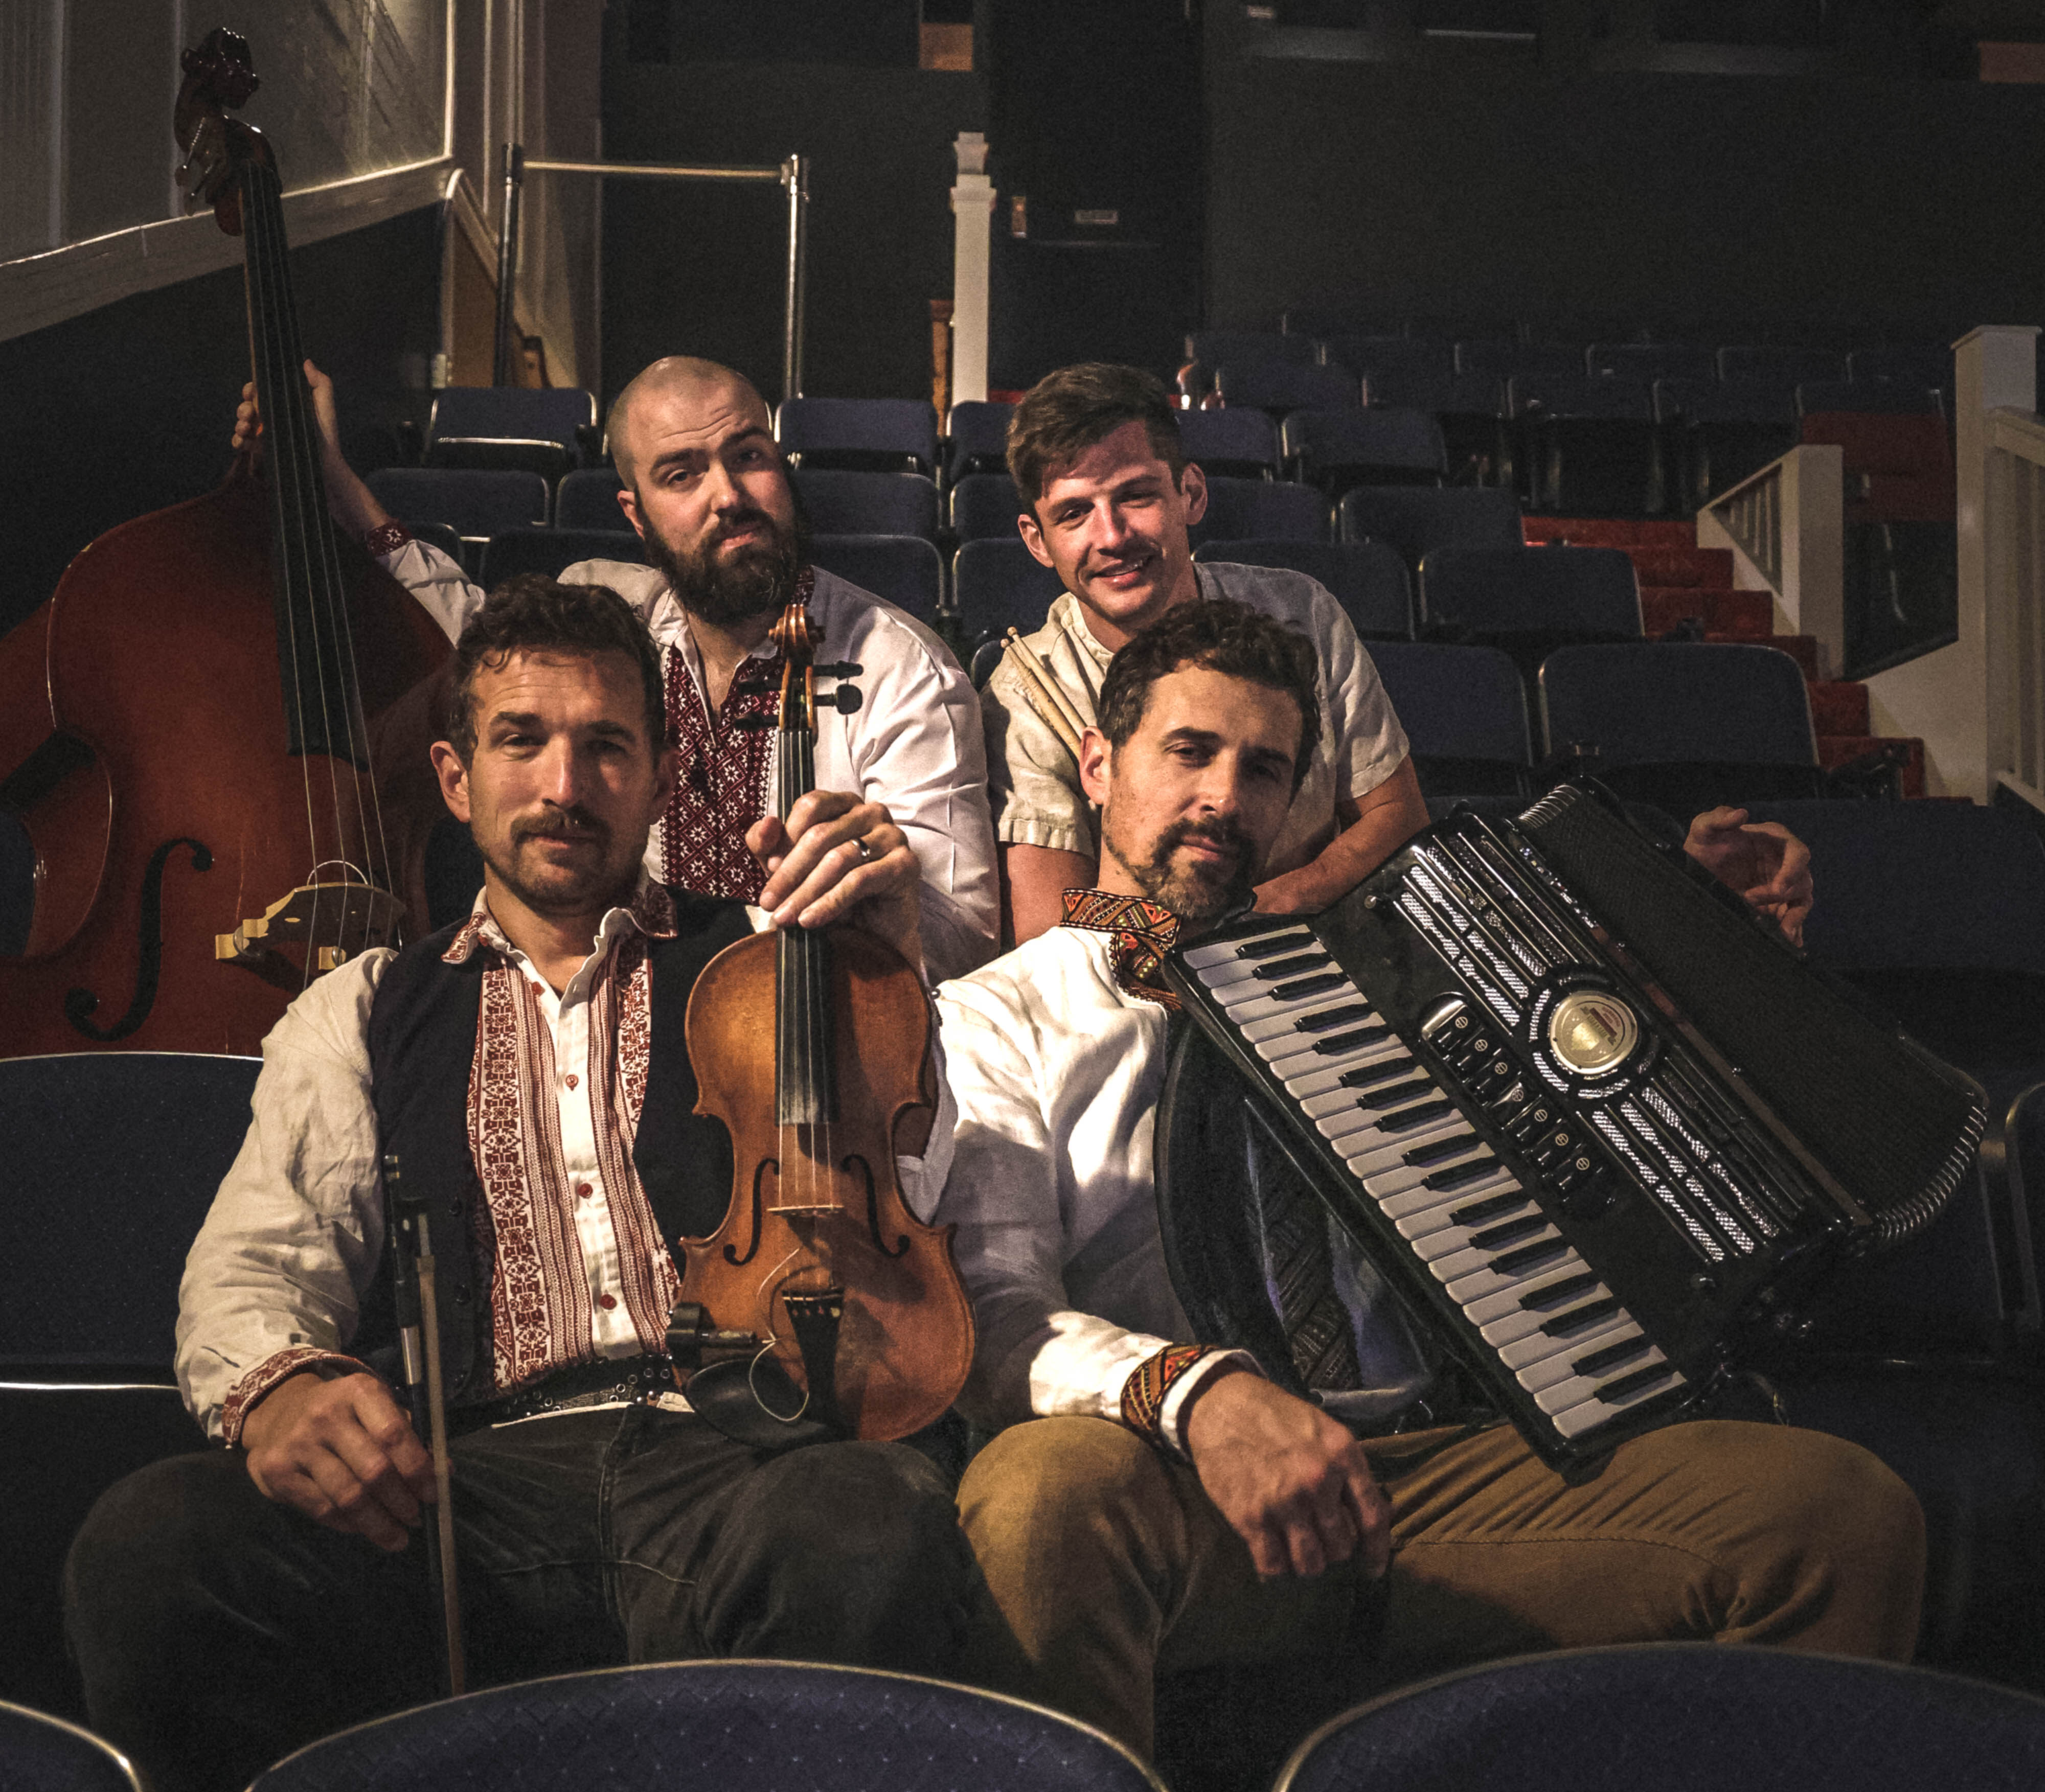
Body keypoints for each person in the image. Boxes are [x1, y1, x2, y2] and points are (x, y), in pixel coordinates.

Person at [927, 596, 1921, 1761]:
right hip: (1181, 1485)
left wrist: (1688, 940)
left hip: (1438, 1467)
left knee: (1841, 1514)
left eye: (1263, 769)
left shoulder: (1378, 969)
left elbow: (1602, 1140)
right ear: (1099, 766)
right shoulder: (992, 1014)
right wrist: (1204, 1397)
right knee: (1039, 1492)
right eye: (1188, 752)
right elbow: (996, 1319)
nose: (1223, 798)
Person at [63, 577, 975, 1792]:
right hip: (460, 1484)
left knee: (868, 1520)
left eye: (607, 746)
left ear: (662, 775)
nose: (564, 785)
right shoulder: (362, 1006)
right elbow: (256, 1262)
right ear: (455, 777)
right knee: (157, 1542)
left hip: (732, 1460)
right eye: (521, 741)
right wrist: (278, 1389)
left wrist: (886, 951)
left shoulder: (771, 958)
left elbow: (912, 1180)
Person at [979, 362, 1814, 950]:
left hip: (1333, 949)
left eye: (1136, 496)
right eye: (1075, 513)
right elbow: (1057, 929)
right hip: (1150, 993)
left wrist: (1274, 905)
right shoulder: (1025, 690)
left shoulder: (1301, 614)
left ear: (1189, 493)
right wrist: (1245, 927)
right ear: (1036, 540)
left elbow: (1396, 818)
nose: (1112, 536)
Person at [235, 357, 998, 982]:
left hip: (811, 1037)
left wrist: (882, 897)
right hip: (611, 1022)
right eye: (681, 475)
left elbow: (964, 946)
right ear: (637, 515)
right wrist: (331, 477)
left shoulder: (903, 670)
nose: (728, 496)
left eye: (748, 456)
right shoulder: (614, 617)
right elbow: (465, 633)